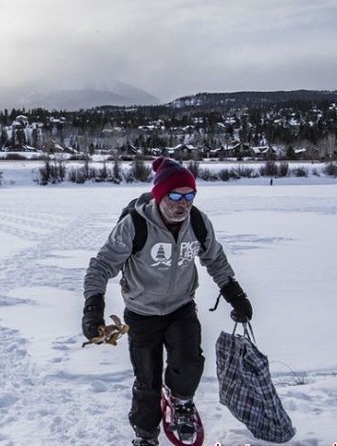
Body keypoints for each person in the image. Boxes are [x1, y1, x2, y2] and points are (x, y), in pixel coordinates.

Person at [82, 157, 253, 446]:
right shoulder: (135, 225)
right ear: (160, 195)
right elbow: (101, 266)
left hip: (180, 307)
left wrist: (234, 292)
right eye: (175, 195)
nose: (183, 204)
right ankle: (146, 434)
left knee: (189, 361)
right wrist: (93, 307)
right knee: (147, 379)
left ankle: (181, 402)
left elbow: (215, 258)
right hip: (141, 311)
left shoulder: (197, 222)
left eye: (190, 195)